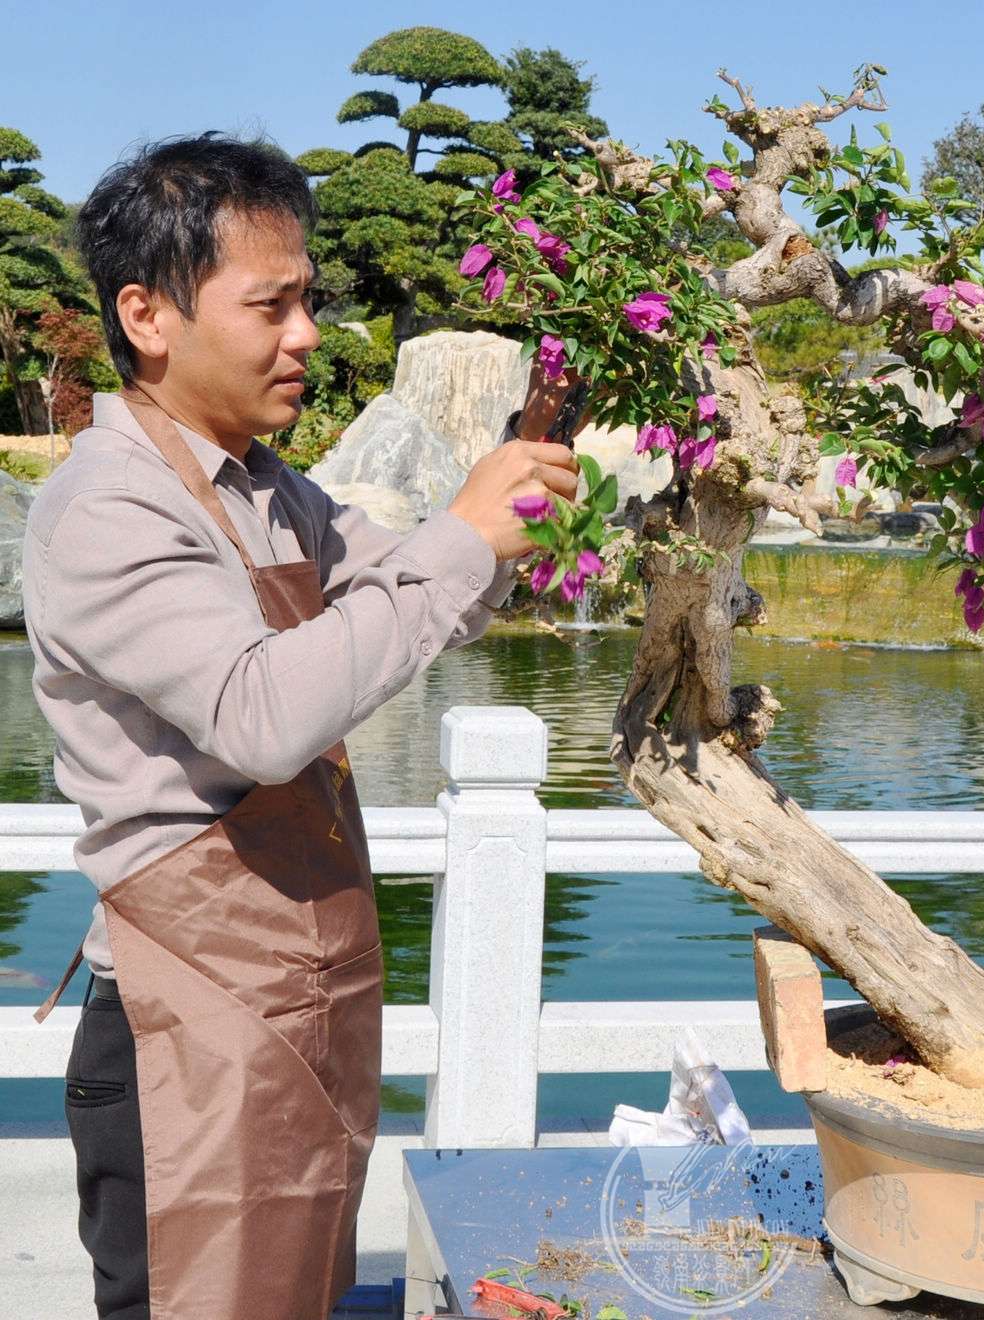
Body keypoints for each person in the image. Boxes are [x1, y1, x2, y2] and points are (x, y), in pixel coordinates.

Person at [22, 132, 581, 1320]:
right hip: (184, 1036)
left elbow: (418, 600)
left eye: (308, 301)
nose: (309, 334)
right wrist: (460, 536)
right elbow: (263, 716)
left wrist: (507, 519)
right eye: (270, 305)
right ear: (146, 316)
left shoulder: (272, 489)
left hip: (297, 1010)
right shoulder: (109, 503)